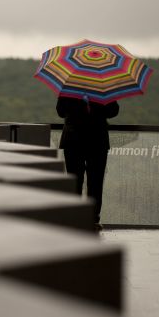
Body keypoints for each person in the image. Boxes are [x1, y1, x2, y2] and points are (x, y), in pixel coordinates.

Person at [56, 95, 119, 231]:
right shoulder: (102, 87)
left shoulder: (70, 88)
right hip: (91, 141)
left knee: (84, 181)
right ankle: (89, 219)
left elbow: (113, 111)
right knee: (88, 182)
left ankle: (82, 219)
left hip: (79, 140)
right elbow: (61, 111)